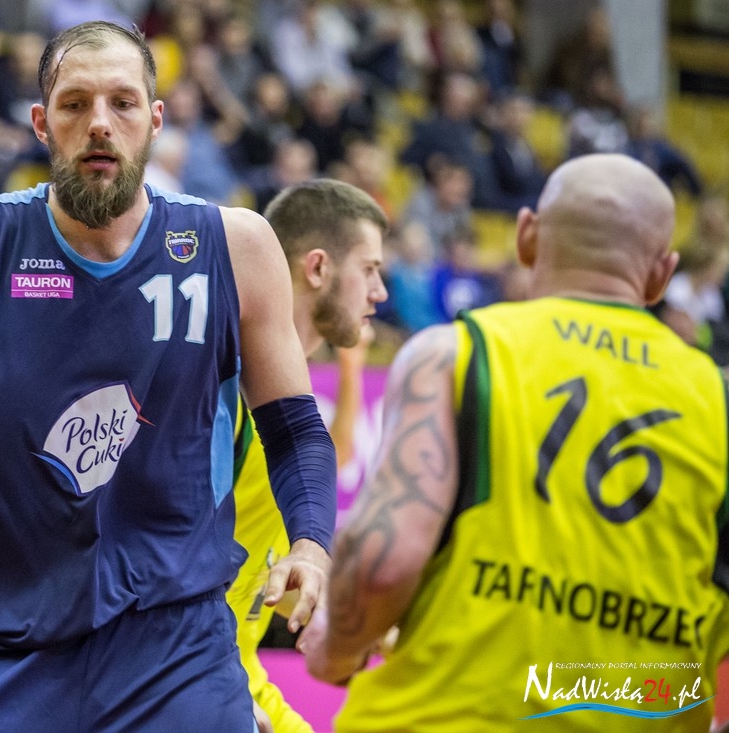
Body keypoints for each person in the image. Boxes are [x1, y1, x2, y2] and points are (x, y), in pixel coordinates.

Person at [0, 20, 336, 733]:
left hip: (176, 649)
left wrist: (312, 545)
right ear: (41, 123)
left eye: (122, 103)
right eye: (74, 104)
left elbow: (295, 432)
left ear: (155, 120)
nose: (99, 122)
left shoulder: (237, 246)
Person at [300, 153, 729, 732]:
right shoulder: (718, 399)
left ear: (526, 236)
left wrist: (335, 649)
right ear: (661, 273)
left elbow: (385, 563)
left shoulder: (456, 354)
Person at [229, 178, 388, 733]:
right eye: (369, 269)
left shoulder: (288, 408)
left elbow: (257, 576)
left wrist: (353, 617)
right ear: (317, 268)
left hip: (236, 672)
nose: (380, 292)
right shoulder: (224, 388)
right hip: (192, 678)